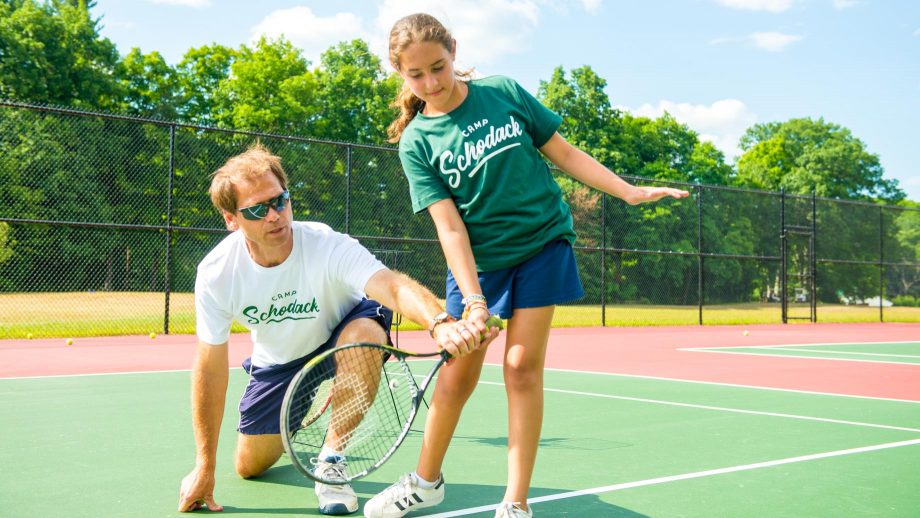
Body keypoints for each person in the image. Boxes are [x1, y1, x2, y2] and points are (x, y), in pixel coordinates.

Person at [363, 13, 691, 518]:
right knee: (456, 379)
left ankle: (515, 504)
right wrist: (472, 300)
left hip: (542, 244)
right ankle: (426, 482)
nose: (431, 82)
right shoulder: (416, 142)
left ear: (454, 50)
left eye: (439, 66)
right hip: (480, 265)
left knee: (520, 368)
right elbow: (450, 228)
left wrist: (627, 191)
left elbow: (563, 152)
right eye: (416, 75)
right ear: (400, 74)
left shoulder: (504, 92)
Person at [177, 144, 499, 515]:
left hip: (347, 329)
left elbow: (392, 286)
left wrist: (440, 322)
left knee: (365, 337)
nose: (275, 215)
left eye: (280, 201)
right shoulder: (218, 273)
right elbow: (210, 366)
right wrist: (205, 465)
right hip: (280, 361)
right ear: (231, 219)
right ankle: (300, 409)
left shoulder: (326, 245)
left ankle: (331, 460)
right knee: (249, 466)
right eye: (257, 209)